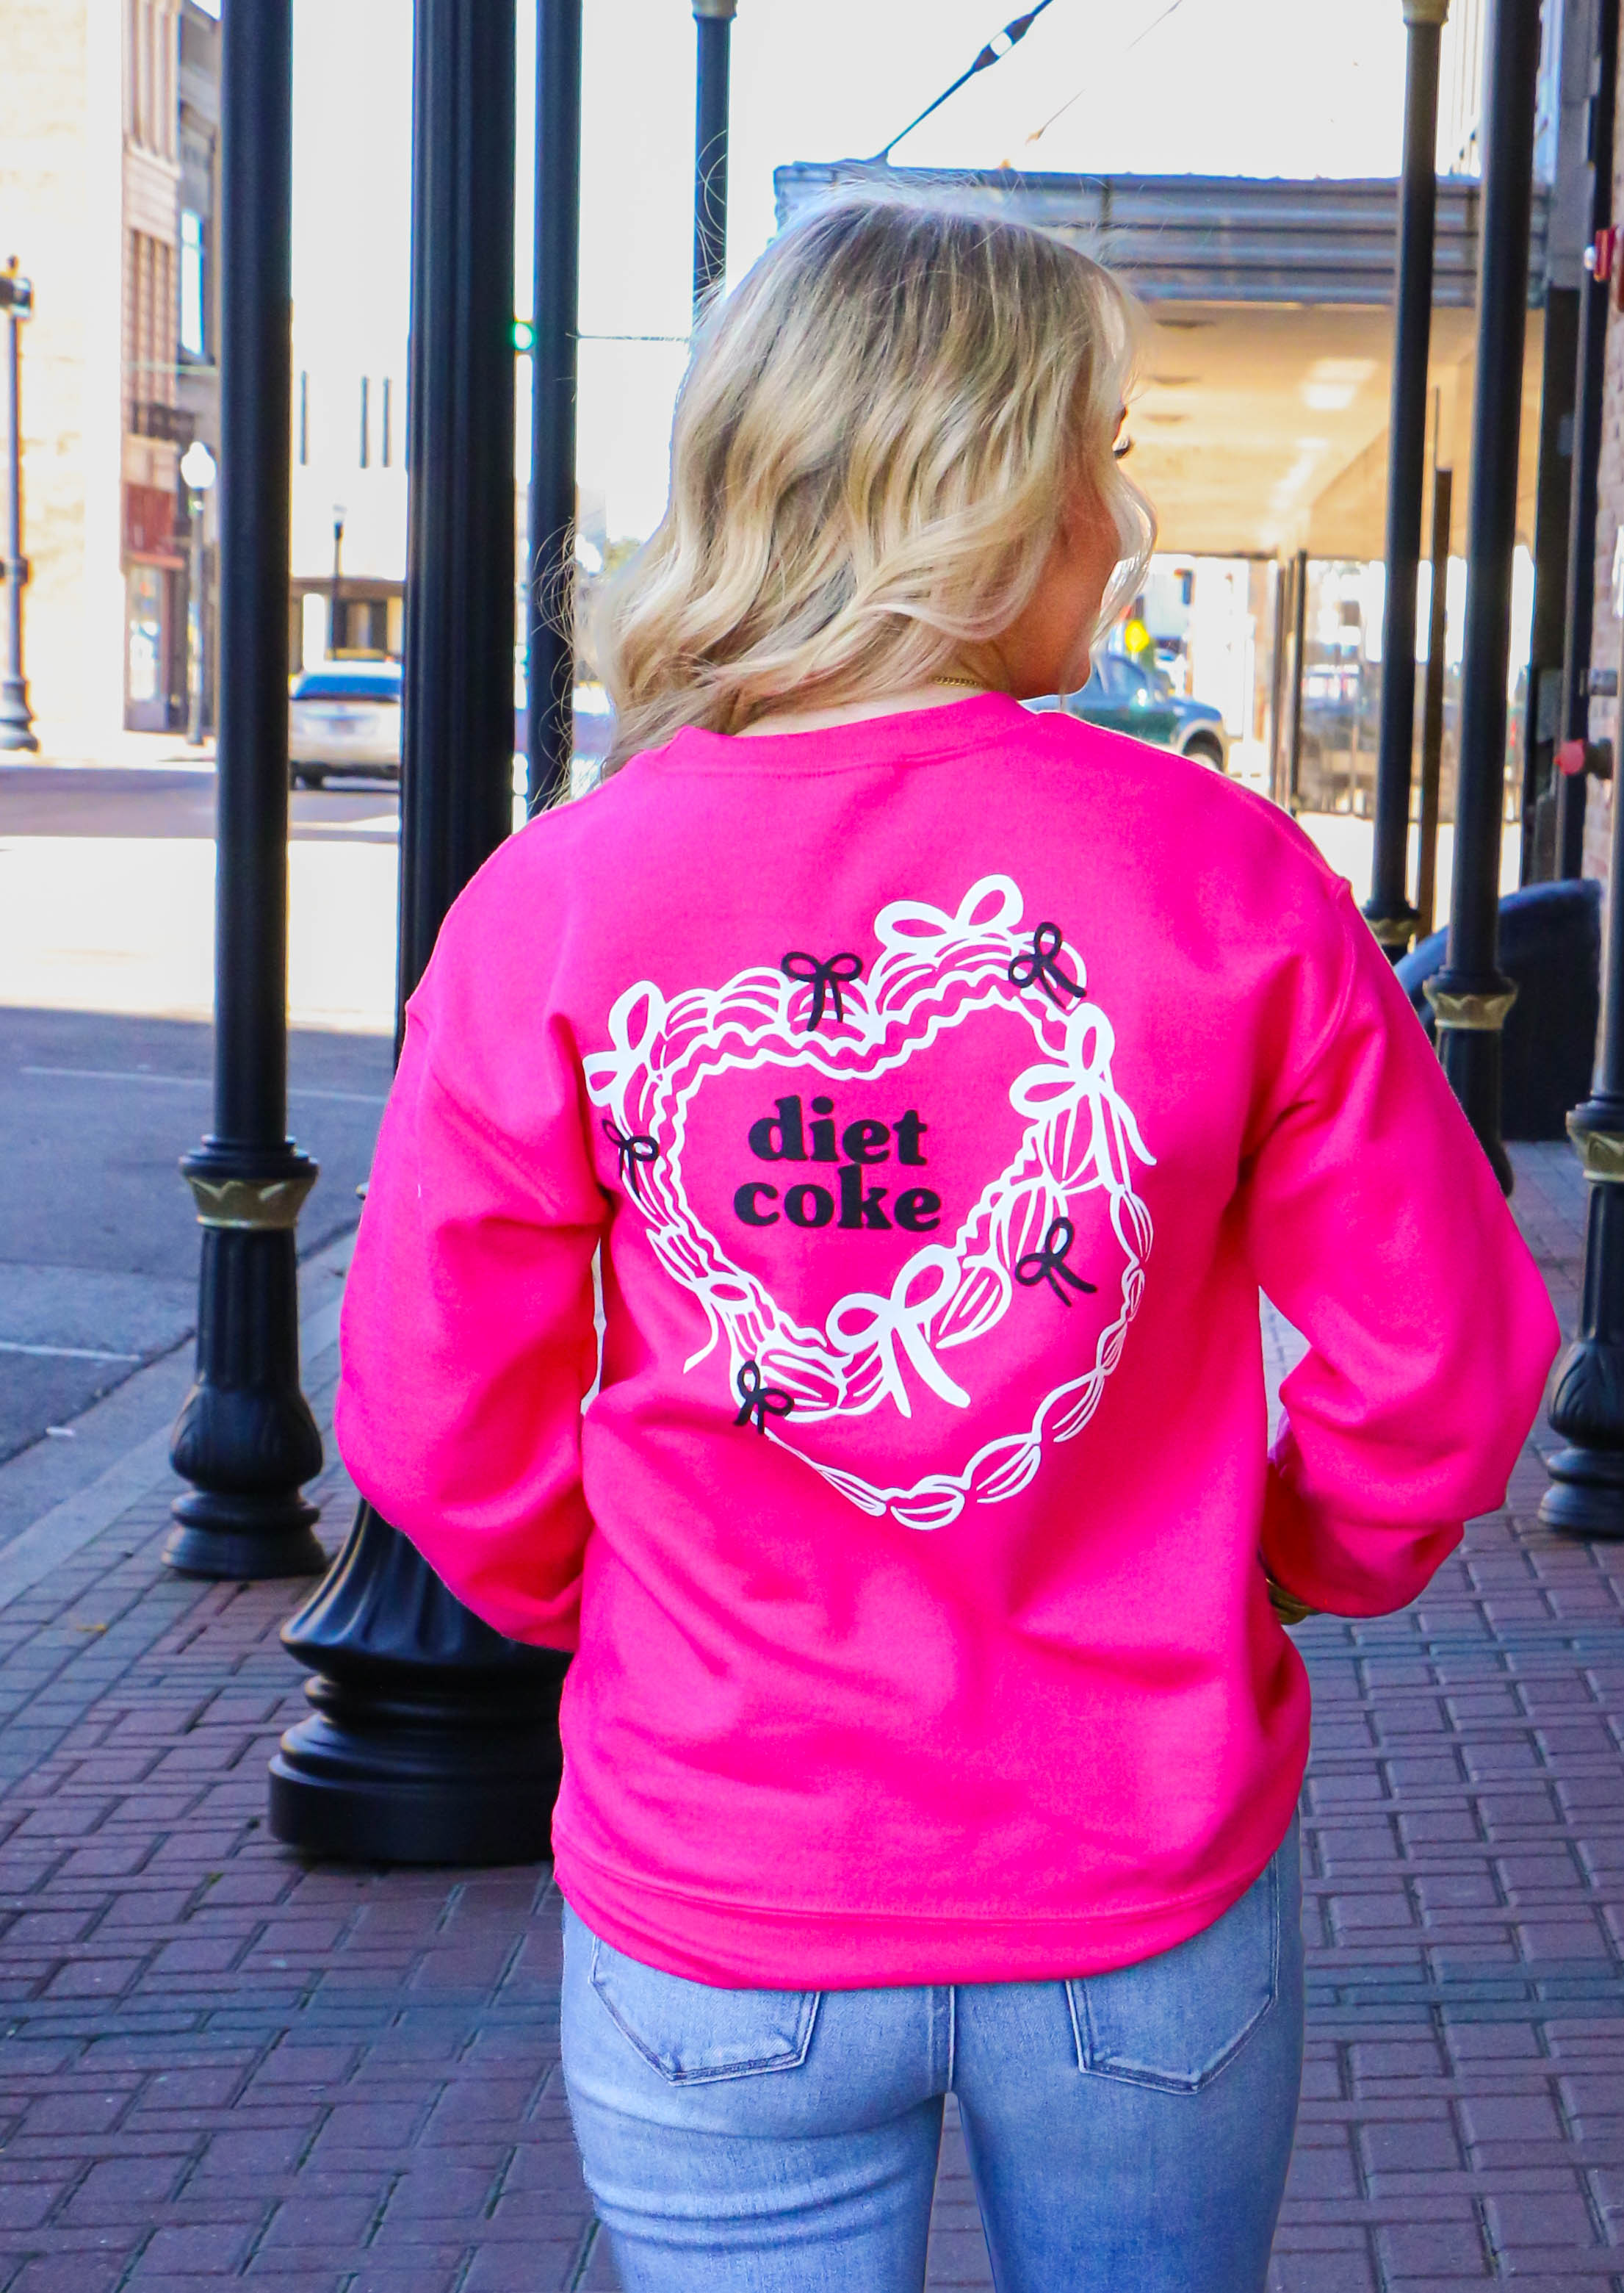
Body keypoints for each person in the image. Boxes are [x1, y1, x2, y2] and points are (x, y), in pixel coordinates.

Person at [337, 196, 1559, 2293]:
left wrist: (633, 1595)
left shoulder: (556, 898)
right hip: (1139, 1886)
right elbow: (1437, 1381)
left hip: (718, 1877)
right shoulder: (1227, 877)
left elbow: (435, 1421)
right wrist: (1272, 1555)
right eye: (1097, 454)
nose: (1125, 517)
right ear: (982, 488)